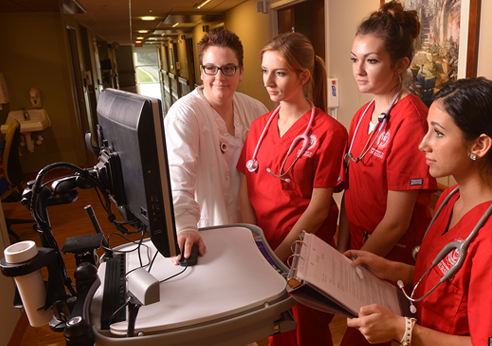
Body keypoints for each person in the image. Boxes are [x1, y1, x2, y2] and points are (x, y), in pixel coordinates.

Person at [345, 77, 492, 346]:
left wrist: (404, 331)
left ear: (479, 146)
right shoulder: (449, 198)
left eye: (438, 133)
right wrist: (391, 269)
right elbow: (444, 285)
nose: (423, 144)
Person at [237, 32, 348, 346]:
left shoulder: (329, 132)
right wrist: (255, 242)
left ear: (304, 75)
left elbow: (319, 208)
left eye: (280, 72)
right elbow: (247, 183)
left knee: (306, 333)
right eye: (264, 71)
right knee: (273, 329)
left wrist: (278, 256)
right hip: (264, 247)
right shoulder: (259, 127)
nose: (268, 81)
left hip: (304, 254)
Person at [337, 3, 436, 344]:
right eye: (354, 59)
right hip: (360, 257)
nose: (359, 70)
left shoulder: (411, 121)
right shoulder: (362, 115)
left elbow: (397, 222)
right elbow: (350, 193)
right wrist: (341, 250)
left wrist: (352, 268)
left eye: (372, 60)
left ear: (400, 65)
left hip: (389, 263)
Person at [164, 29, 268, 264]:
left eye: (228, 68)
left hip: (253, 231)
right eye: (211, 68)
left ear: (240, 72)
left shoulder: (255, 110)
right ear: (201, 72)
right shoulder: (185, 114)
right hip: (207, 235)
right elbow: (178, 178)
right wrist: (185, 226)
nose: (219, 77)